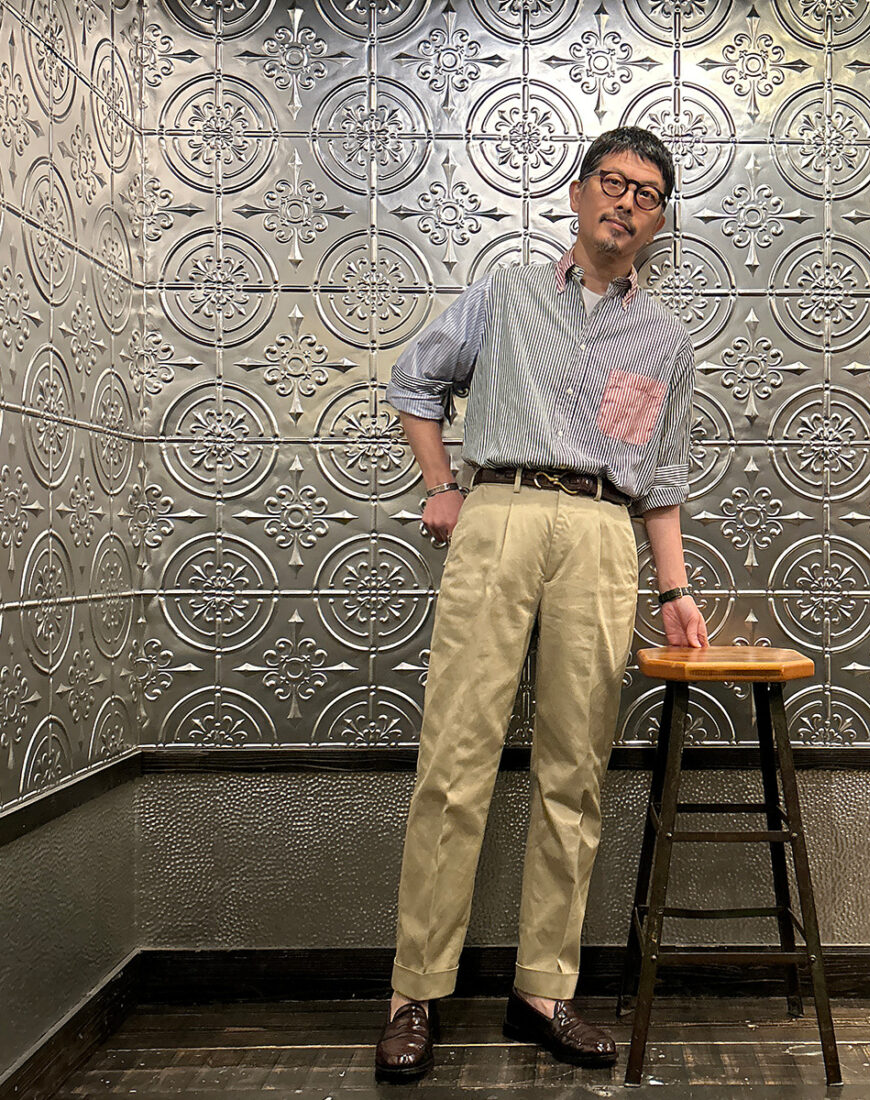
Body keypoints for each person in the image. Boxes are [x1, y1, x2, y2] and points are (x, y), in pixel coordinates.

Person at [375, 126, 708, 1083]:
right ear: (578, 192)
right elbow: (414, 381)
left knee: (576, 767)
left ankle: (544, 990)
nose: (627, 203)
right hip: (502, 511)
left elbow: (659, 480)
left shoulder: (664, 340)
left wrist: (675, 589)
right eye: (613, 182)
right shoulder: (508, 293)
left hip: (602, 532)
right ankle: (414, 993)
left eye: (647, 194)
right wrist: (442, 487)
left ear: (658, 221)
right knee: (455, 759)